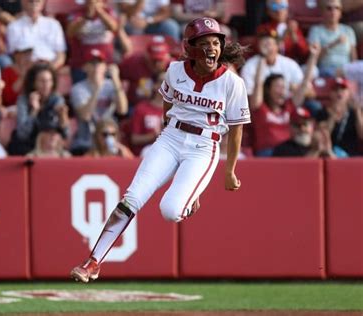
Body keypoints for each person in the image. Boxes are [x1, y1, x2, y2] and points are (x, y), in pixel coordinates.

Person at [70, 17, 251, 283]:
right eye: (204, 43)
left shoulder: (232, 83)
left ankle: (189, 195)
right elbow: (168, 106)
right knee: (132, 198)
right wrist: (168, 132)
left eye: (215, 43)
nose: (211, 48)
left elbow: (236, 129)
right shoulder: (175, 70)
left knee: (170, 210)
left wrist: (230, 170)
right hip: (171, 137)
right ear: (190, 48)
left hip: (203, 146)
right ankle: (93, 262)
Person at [307, 0, 357, 77]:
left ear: (340, 13)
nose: (333, 11)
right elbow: (315, 58)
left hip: (346, 69)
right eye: (329, 8)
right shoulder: (316, 30)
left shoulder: (348, 30)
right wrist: (334, 44)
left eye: (337, 8)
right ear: (322, 12)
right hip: (326, 69)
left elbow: (354, 58)